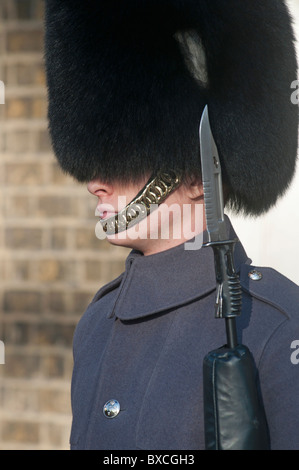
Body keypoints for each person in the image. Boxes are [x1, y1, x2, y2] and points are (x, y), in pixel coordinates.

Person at [44, 0, 299, 450]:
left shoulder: (276, 324)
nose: (94, 183)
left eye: (121, 154)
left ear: (199, 177)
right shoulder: (95, 324)